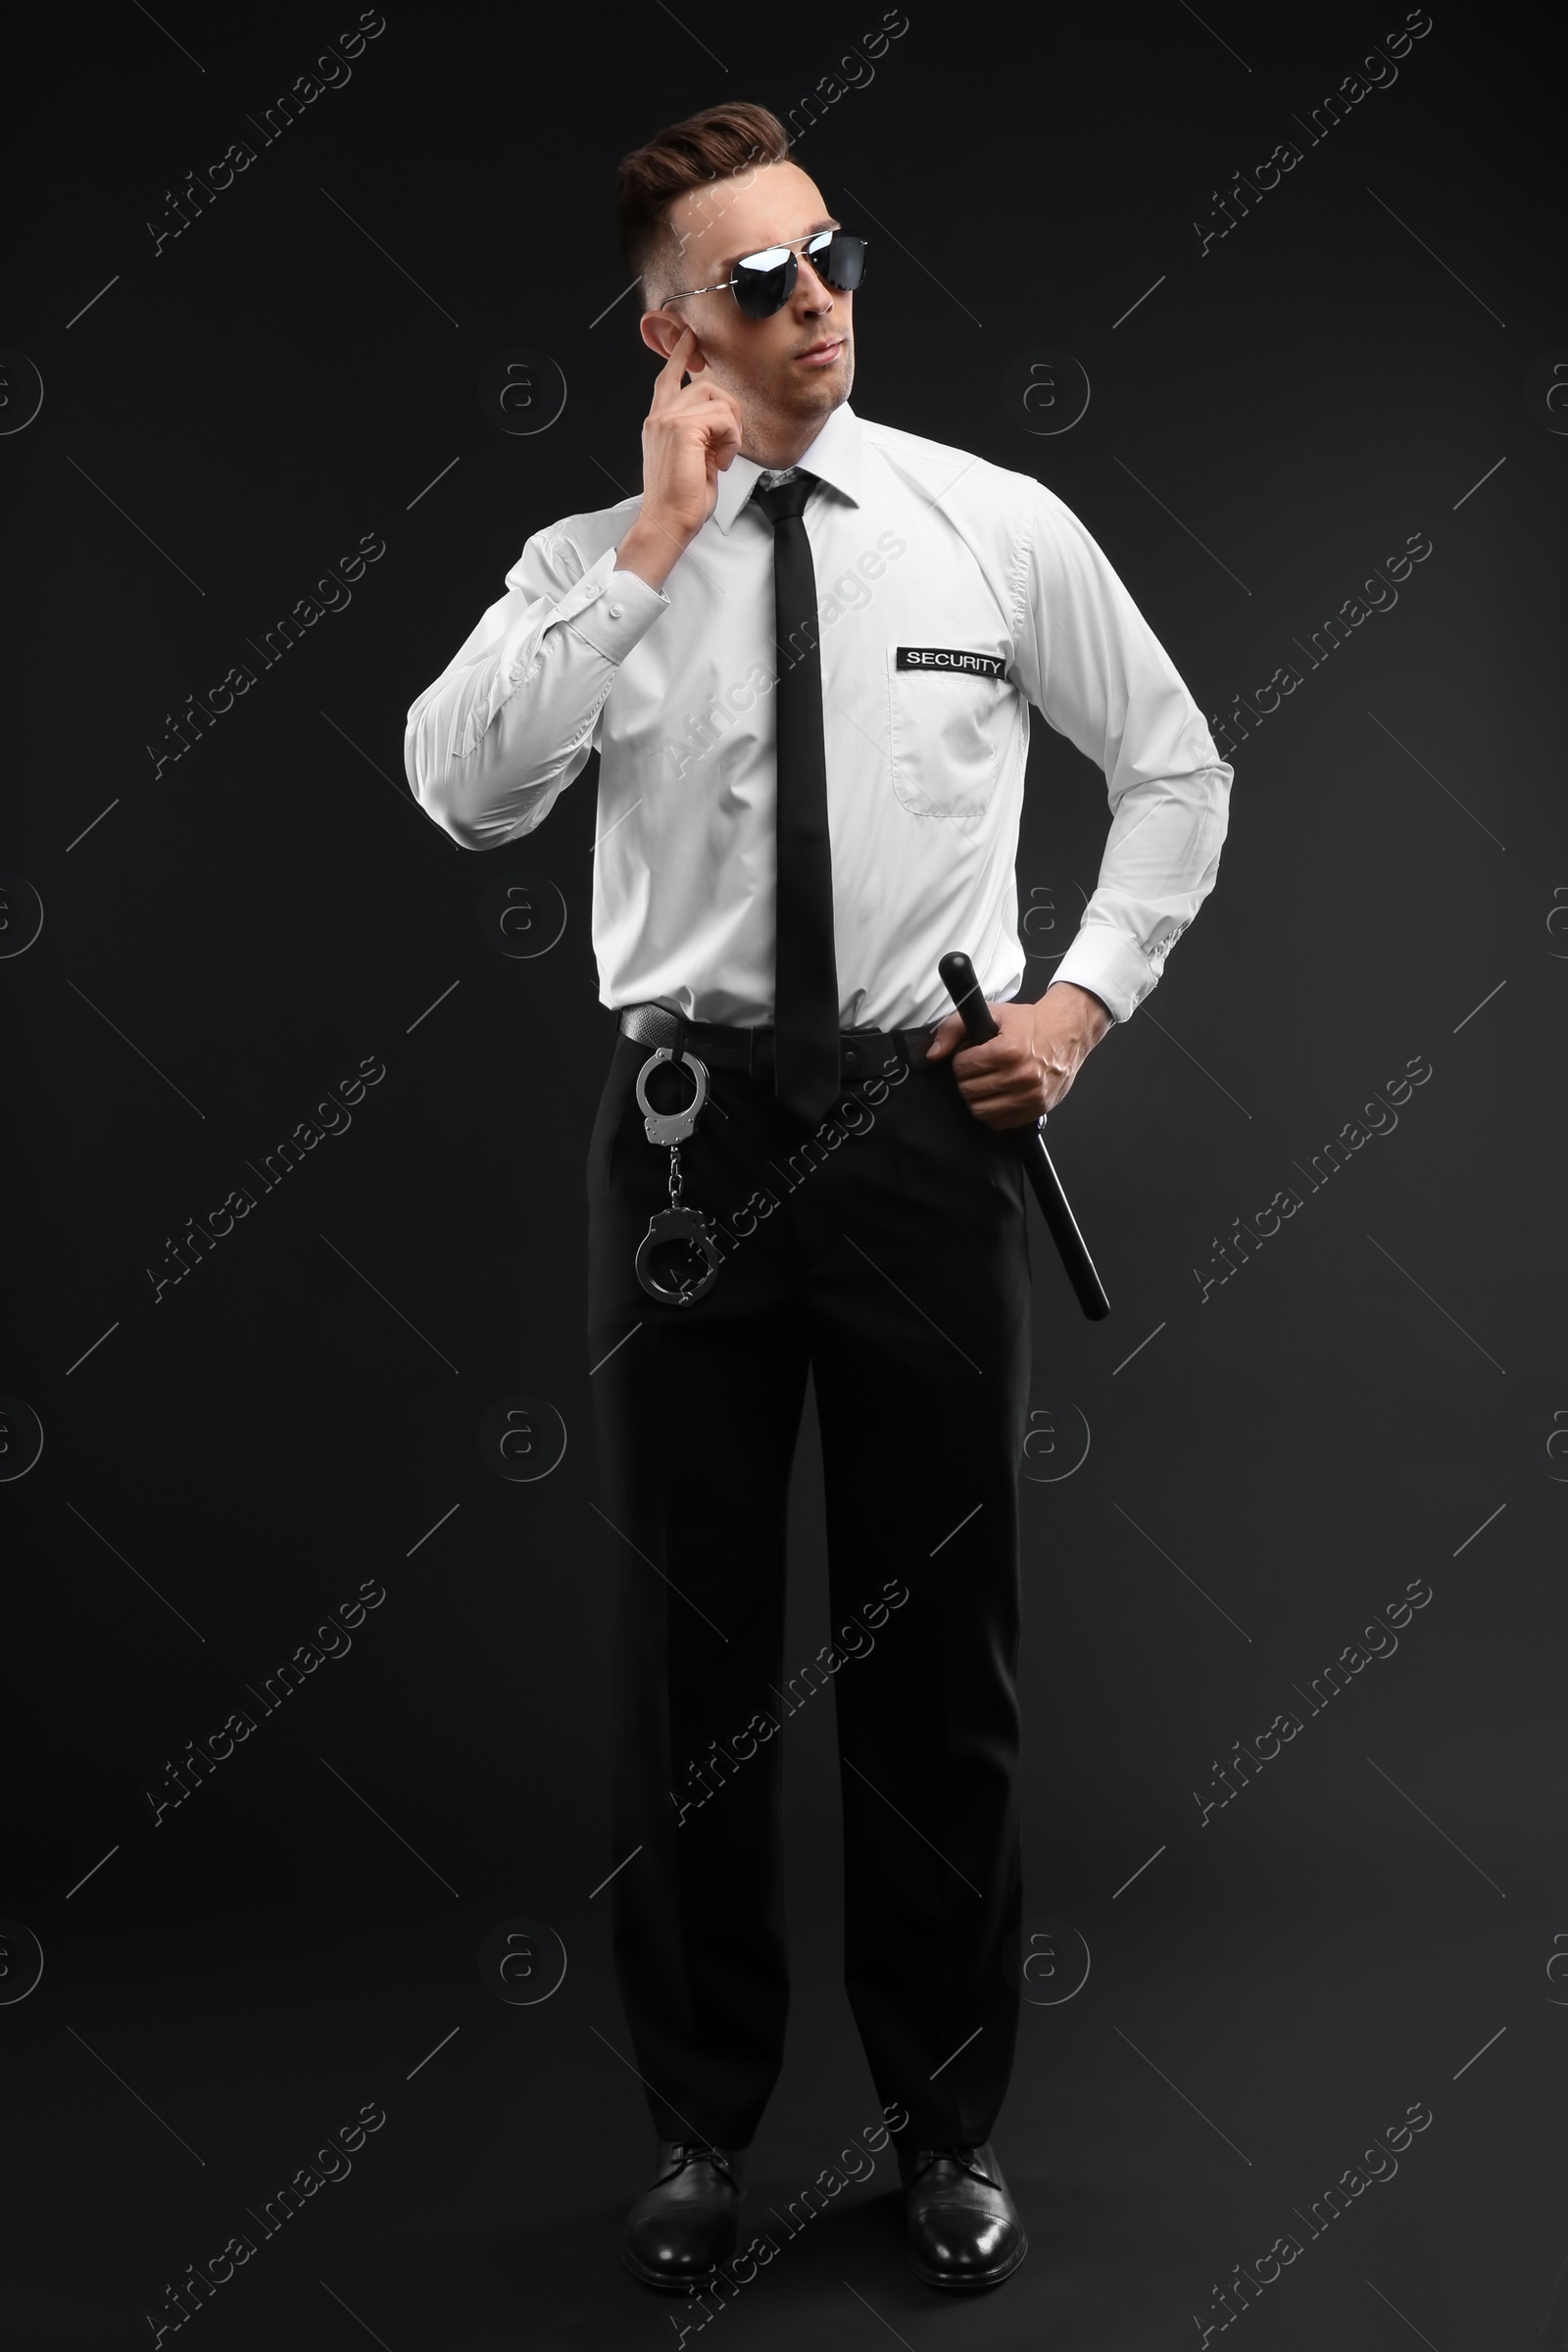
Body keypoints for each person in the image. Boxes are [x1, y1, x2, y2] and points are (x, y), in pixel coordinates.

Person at [405, 100, 1232, 2298]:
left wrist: (1073, 1006)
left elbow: (1172, 766)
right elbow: (461, 787)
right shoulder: (593, 559)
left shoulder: (984, 526)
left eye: (830, 255)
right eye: (756, 282)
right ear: (670, 333)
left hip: (919, 1144)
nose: (815, 304)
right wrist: (651, 555)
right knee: (685, 1661)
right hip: (681, 1144)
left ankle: (942, 2129)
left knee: (933, 1662)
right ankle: (695, 2130)